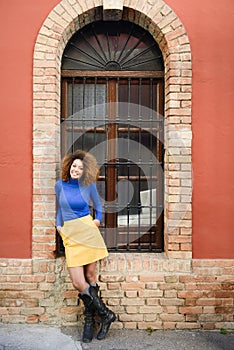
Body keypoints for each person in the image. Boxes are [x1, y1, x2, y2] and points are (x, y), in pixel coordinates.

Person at [55, 150, 116, 343]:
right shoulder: (60, 185)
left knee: (90, 277)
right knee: (78, 282)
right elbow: (59, 209)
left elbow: (99, 206)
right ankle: (106, 314)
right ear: (69, 167)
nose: (76, 170)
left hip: (88, 233)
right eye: (74, 166)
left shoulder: (88, 186)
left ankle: (89, 322)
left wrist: (97, 221)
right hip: (71, 235)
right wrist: (59, 227)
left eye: (80, 168)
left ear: (84, 171)